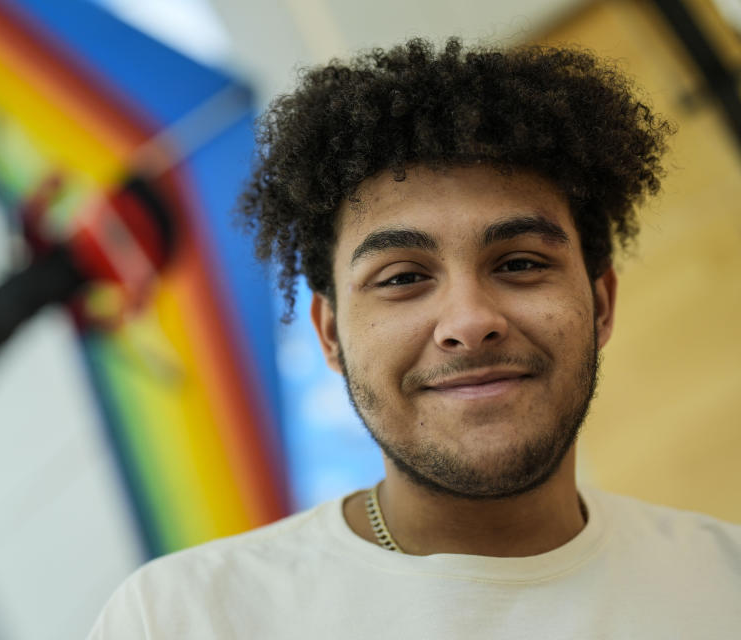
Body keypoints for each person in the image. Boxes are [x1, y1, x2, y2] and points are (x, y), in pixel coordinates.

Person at [88, 38, 741, 638]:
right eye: (403, 277)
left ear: (600, 303)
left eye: (519, 264)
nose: (468, 321)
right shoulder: (184, 619)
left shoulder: (725, 585)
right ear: (331, 334)